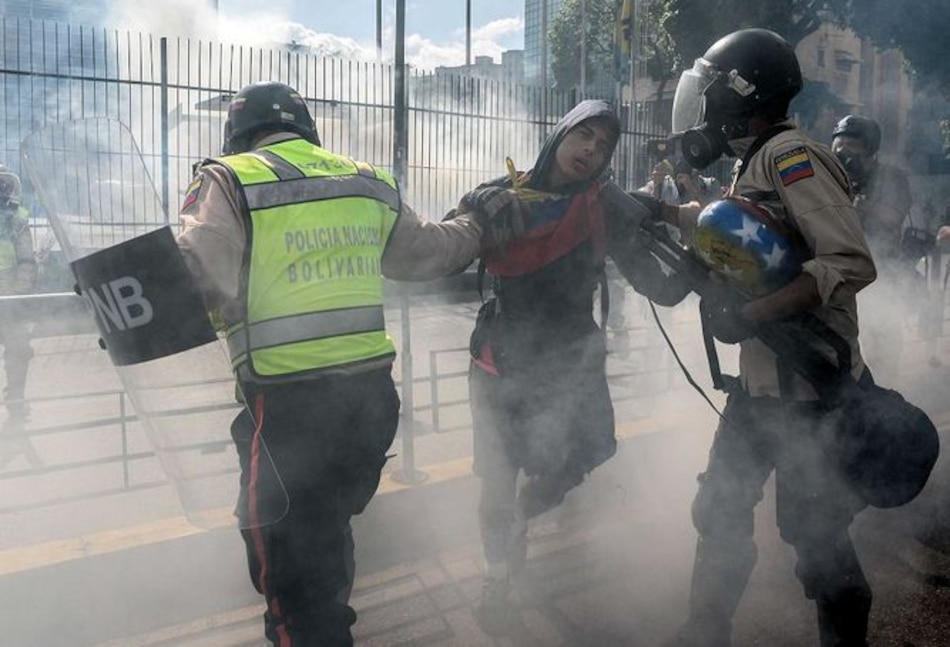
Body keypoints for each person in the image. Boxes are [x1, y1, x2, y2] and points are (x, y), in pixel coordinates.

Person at [175, 80, 519, 646]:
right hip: (371, 405)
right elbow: (429, 252)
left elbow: (196, 271)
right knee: (327, 535)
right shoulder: (367, 180)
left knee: (287, 577)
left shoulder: (230, 177)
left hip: (287, 412)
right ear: (307, 128)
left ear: (237, 133)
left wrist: (118, 297)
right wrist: (477, 224)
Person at [660, 29, 878, 646]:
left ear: (739, 94)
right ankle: (705, 632)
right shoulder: (755, 161)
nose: (700, 109)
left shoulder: (791, 157)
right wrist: (659, 214)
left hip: (809, 392)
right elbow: (747, 233)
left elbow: (850, 261)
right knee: (720, 511)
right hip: (759, 388)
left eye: (709, 93)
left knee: (816, 537)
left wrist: (754, 316)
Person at [455, 99, 692, 632]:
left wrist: (705, 266)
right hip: (501, 362)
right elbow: (446, 246)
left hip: (570, 364)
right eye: (584, 134)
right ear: (560, 132)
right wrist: (466, 214)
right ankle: (497, 579)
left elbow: (657, 281)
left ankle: (521, 515)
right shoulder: (503, 195)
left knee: (587, 450)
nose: (590, 149)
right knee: (496, 479)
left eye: (603, 145)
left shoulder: (600, 205)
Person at [831, 114, 915, 385]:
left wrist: (859, 204)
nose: (842, 156)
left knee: (882, 344)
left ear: (870, 151)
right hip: (839, 275)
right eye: (838, 149)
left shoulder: (891, 178)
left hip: (882, 272)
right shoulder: (831, 178)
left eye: (850, 150)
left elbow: (894, 216)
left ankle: (885, 400)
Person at [0, 165, 36, 427]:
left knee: (18, 350)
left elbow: (26, 262)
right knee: (18, 349)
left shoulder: (16, 220)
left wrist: (19, 293)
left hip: (9, 298)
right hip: (11, 297)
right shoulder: (16, 219)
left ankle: (16, 399)